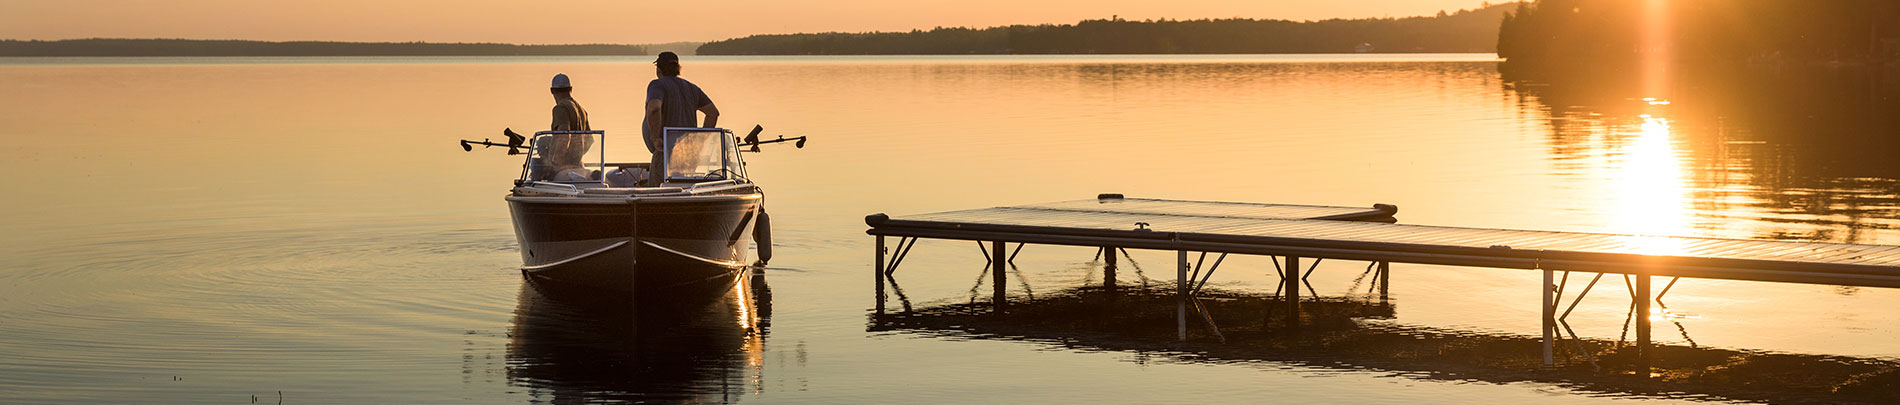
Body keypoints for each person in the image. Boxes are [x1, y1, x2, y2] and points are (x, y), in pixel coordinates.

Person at [642, 51, 719, 184]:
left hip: (665, 153)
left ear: (658, 69)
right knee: (684, 188)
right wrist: (700, 140)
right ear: (678, 68)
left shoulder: (657, 85)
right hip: (689, 155)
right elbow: (712, 113)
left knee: (659, 192)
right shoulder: (692, 88)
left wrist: (655, 138)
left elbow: (654, 108)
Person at [539, 73, 594, 181]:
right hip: (578, 165)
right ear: (571, 89)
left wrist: (556, 164)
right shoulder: (582, 110)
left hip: (563, 171)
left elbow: (564, 135)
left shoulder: (560, 108)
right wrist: (575, 157)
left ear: (551, 90)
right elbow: (590, 140)